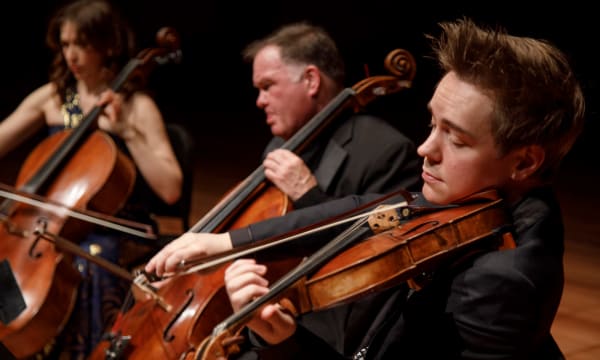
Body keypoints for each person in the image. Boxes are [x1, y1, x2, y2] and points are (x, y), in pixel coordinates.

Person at [147, 17, 585, 359]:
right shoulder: (477, 201)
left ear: (525, 161)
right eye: (432, 124)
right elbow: (367, 209)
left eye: (456, 138)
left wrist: (287, 344)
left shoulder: (500, 282)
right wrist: (224, 242)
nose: (424, 149)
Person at [145, 22, 420, 359]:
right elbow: (252, 234)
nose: (259, 101)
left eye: (267, 86)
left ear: (311, 80)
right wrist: (180, 277)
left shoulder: (385, 150)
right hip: (260, 311)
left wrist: (309, 195)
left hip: (322, 332)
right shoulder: (281, 145)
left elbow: (381, 247)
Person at [0, 0, 183, 358]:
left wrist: (128, 132)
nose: (72, 55)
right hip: (47, 225)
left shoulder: (135, 107)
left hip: (111, 227)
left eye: (81, 44)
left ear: (109, 46)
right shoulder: (53, 98)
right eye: (65, 44)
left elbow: (171, 188)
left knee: (90, 259)